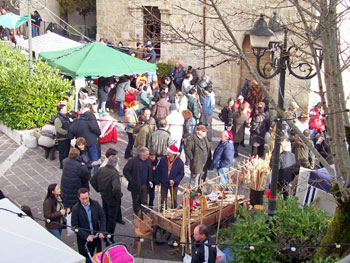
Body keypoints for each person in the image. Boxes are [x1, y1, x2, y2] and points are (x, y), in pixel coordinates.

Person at [90, 156, 124, 243]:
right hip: (112, 198)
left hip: (104, 195)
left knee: (105, 214)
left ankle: (104, 232)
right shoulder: (114, 173)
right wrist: (118, 196)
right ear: (115, 164)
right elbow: (116, 188)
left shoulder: (101, 169)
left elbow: (92, 180)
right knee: (112, 218)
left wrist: (98, 189)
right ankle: (109, 237)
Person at [71, 188, 106, 263]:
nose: (85, 201)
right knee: (87, 259)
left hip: (96, 236)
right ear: (79, 198)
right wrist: (86, 236)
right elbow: (74, 226)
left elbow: (102, 217)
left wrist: (102, 231)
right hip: (84, 240)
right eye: (82, 199)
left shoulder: (95, 204)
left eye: (86, 198)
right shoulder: (75, 209)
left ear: (89, 196)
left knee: (99, 256)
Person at [68, 104, 101, 172]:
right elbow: (95, 128)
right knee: (94, 157)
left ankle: (85, 170)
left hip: (81, 144)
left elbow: (70, 135)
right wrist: (98, 134)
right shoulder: (88, 120)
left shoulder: (74, 124)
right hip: (91, 141)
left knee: (83, 157)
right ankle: (96, 172)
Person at [123, 147, 151, 217]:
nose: (148, 155)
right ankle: (136, 213)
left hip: (145, 185)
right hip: (135, 185)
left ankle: (143, 214)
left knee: (144, 200)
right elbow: (126, 170)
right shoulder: (133, 161)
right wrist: (131, 180)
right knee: (136, 200)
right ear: (142, 155)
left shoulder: (148, 160)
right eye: (147, 154)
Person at [156, 145, 184, 209]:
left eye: (169, 153)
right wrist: (157, 182)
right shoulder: (163, 159)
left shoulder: (180, 162)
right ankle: (163, 210)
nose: (167, 154)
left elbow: (181, 174)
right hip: (164, 182)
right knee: (163, 198)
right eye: (167, 152)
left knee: (174, 198)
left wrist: (175, 180)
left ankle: (173, 210)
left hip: (173, 184)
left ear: (174, 154)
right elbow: (158, 170)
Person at [54, 103, 71, 169]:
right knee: (62, 153)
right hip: (62, 138)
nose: (66, 110)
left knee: (67, 152)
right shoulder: (58, 119)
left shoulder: (66, 116)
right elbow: (58, 129)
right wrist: (67, 132)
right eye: (65, 109)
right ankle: (62, 165)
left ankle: (66, 164)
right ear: (60, 110)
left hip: (67, 137)